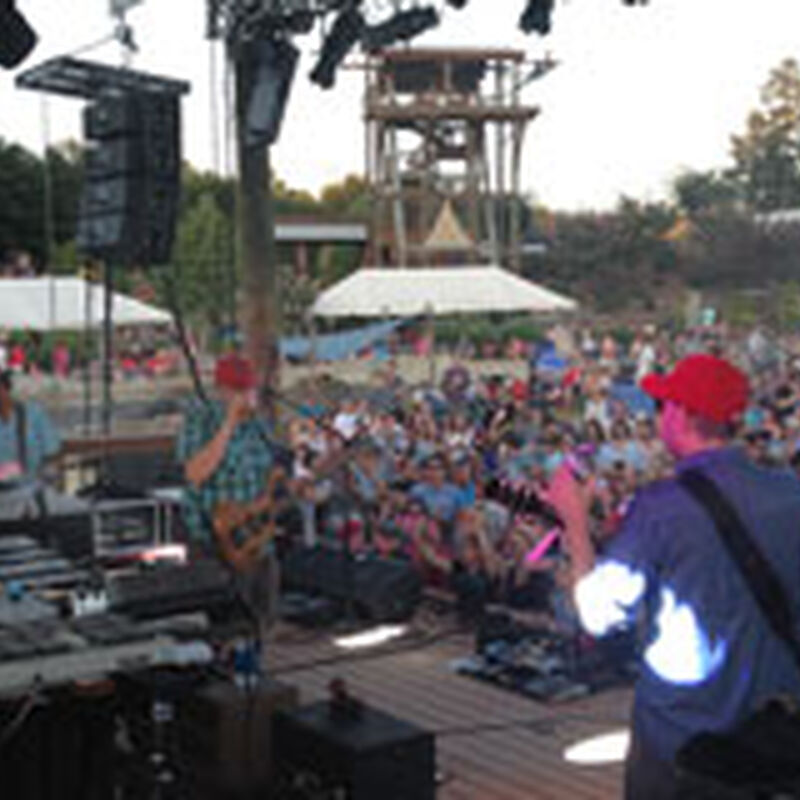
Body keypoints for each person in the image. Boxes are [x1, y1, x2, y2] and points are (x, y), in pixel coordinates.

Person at [547, 353, 800, 799]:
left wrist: (575, 521)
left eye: (664, 406)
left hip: (684, 737)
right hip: (778, 733)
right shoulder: (791, 492)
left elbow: (598, 615)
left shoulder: (661, 506)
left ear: (680, 415)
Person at [176, 353, 283, 640]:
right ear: (221, 389)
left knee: (259, 618)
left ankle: (253, 669)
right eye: (237, 390)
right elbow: (195, 473)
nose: (244, 396)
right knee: (222, 624)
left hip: (255, 536)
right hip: (213, 538)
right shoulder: (201, 417)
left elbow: (271, 473)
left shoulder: (258, 425)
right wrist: (229, 424)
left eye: (248, 389)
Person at [0, 368, 77, 520]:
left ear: (5, 388)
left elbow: (52, 454)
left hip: (32, 493)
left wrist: (49, 473)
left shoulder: (33, 414)